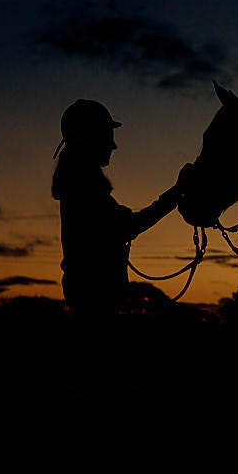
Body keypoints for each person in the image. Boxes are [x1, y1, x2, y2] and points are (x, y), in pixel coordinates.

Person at [51, 99, 193, 322]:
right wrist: (177, 192)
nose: (113, 145)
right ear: (91, 138)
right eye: (108, 137)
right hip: (96, 302)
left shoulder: (77, 183)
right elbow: (129, 226)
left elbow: (121, 225)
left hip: (89, 298)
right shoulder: (84, 187)